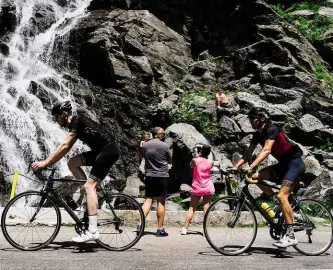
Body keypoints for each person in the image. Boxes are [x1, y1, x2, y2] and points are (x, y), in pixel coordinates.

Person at [32, 101, 120, 243]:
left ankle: (92, 231)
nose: (56, 121)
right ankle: (87, 194)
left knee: (89, 186)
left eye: (56, 117)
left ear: (64, 114)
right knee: (72, 163)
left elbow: (65, 146)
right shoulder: (76, 124)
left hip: (108, 151)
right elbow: (67, 148)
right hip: (99, 151)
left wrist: (46, 163)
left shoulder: (77, 121)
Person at [232, 107, 305, 248]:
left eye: (252, 118)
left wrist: (251, 165)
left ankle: (290, 236)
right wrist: (236, 166)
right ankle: (278, 205)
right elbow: (248, 154)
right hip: (283, 165)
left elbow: (266, 150)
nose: (250, 121)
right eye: (250, 118)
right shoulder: (257, 134)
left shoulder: (272, 129)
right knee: (255, 177)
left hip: (295, 164)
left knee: (282, 196)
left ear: (262, 119)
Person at [140, 127, 171, 237]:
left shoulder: (145, 145)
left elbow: (142, 155)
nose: (164, 135)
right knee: (161, 201)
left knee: (148, 200)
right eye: (162, 133)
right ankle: (160, 229)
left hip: (149, 175)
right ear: (157, 134)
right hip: (162, 176)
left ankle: (140, 225)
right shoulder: (165, 146)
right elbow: (169, 160)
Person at [181, 145, 214, 235]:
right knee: (206, 208)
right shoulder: (211, 162)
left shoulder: (195, 160)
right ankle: (206, 230)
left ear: (201, 151)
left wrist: (197, 156)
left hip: (197, 186)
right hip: (208, 186)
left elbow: (191, 166)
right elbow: (208, 168)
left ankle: (185, 228)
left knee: (192, 208)